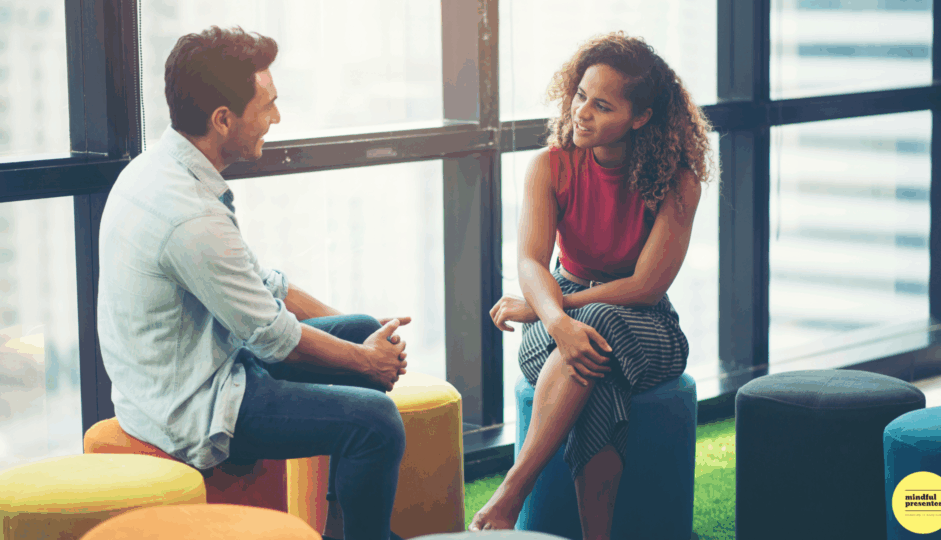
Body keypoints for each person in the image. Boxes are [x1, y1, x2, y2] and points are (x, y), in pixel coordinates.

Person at [97, 26, 409, 540]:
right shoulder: (189, 215)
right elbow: (272, 337)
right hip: (191, 403)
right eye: (267, 106)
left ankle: (341, 527)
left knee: (355, 328)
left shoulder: (166, 168)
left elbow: (266, 287)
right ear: (223, 120)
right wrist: (367, 362)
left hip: (198, 362)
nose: (276, 119)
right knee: (376, 422)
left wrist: (362, 338)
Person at [469, 31, 715, 539]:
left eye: (602, 106)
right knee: (597, 376)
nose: (581, 112)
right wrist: (556, 320)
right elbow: (531, 262)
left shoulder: (677, 180)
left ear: (640, 117)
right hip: (560, 316)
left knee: (597, 332)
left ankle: (513, 489)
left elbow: (646, 286)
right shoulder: (549, 165)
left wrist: (547, 310)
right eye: (581, 95)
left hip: (647, 326)